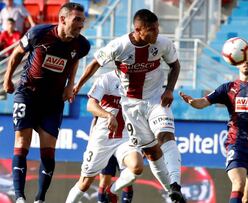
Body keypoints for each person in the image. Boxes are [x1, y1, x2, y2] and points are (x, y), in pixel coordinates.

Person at [73, 8, 185, 202]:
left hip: (156, 99)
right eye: (153, 30)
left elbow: (175, 65)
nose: (157, 33)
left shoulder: (163, 44)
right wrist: (77, 85)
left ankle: (175, 187)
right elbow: (95, 64)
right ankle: (165, 191)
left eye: (158, 28)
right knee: (151, 152)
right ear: (138, 29)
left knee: (165, 135)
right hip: (131, 107)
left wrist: (169, 90)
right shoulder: (119, 46)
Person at [2, 3, 90, 203]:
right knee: (21, 143)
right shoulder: (38, 34)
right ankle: (19, 197)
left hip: (53, 100)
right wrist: (7, 80)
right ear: (62, 19)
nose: (81, 25)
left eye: (82, 21)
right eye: (77, 20)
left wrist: (70, 85)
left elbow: (74, 59)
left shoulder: (82, 44)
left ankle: (40, 199)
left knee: (48, 152)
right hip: (28, 94)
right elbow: (16, 54)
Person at [179, 46, 248, 203]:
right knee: (238, 183)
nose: (246, 63)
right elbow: (203, 103)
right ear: (236, 62)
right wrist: (192, 101)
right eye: (243, 60)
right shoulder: (227, 88)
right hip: (236, 144)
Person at [66, 70, 143, 203]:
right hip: (102, 138)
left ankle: (111, 191)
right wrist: (108, 115)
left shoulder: (142, 81)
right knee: (84, 183)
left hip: (125, 137)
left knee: (136, 168)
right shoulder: (107, 79)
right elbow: (90, 105)